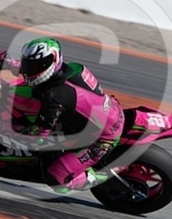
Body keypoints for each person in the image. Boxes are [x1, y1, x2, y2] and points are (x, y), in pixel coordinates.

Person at [8, 37, 125, 193]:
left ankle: (101, 175)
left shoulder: (54, 97)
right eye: (29, 64)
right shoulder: (75, 68)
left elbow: (39, 136)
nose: (31, 70)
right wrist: (9, 64)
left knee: (56, 180)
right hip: (111, 111)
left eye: (38, 65)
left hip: (102, 139)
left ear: (53, 61)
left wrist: (12, 132)